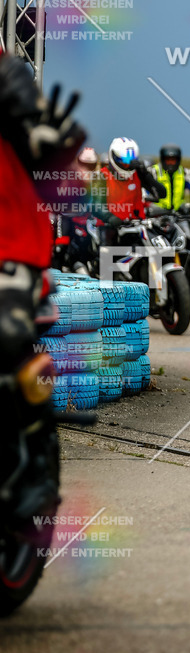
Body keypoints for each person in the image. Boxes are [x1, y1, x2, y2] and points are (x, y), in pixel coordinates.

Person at [0, 53, 86, 506]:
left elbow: (67, 190)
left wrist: (50, 153)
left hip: (10, 257)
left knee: (8, 340)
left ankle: (31, 469)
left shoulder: (6, 77)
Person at [100, 137, 166, 233]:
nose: (128, 167)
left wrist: (146, 175)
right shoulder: (101, 176)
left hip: (138, 228)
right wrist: (109, 217)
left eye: (130, 163)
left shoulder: (137, 174)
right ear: (114, 158)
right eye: (124, 163)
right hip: (112, 229)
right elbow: (96, 205)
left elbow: (162, 194)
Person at [152, 143, 190, 210]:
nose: (170, 163)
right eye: (168, 160)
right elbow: (145, 194)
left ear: (178, 160)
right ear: (162, 160)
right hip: (156, 212)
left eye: (173, 160)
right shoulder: (153, 172)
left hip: (178, 213)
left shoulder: (185, 173)